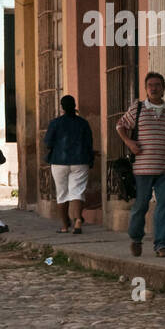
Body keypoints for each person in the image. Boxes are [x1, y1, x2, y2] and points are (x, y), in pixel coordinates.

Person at [117, 71, 165, 258]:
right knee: (141, 206)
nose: (154, 88)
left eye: (157, 85)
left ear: (163, 88)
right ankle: (136, 238)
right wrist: (129, 142)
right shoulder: (137, 108)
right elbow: (120, 126)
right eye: (150, 85)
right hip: (142, 168)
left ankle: (162, 245)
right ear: (146, 89)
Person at [44, 94, 96, 233]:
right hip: (80, 161)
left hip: (59, 161)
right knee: (77, 191)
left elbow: (48, 143)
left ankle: (65, 226)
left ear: (62, 107)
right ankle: (78, 220)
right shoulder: (83, 123)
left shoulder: (55, 123)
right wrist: (91, 159)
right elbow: (89, 143)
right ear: (74, 106)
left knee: (62, 194)